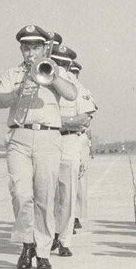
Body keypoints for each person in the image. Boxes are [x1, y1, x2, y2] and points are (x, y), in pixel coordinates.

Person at [0, 25, 78, 269]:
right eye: (27, 49)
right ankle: (26, 243)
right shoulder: (12, 73)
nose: (31, 53)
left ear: (43, 49)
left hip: (48, 138)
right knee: (20, 194)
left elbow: (72, 95)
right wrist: (18, 93)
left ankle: (42, 252)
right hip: (19, 136)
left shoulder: (55, 70)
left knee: (44, 195)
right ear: (21, 50)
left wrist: (52, 77)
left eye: (36, 48)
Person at [50, 45, 97, 256]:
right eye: (55, 62)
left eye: (61, 63)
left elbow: (84, 119)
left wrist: (57, 122)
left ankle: (64, 239)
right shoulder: (44, 86)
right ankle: (48, 234)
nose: (58, 67)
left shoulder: (78, 89)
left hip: (69, 142)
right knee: (46, 192)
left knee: (67, 193)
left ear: (68, 65)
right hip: (47, 141)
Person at [69, 60, 91, 232]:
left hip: (78, 136)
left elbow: (87, 117)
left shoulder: (82, 91)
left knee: (78, 177)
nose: (73, 75)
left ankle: (74, 215)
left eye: (75, 72)